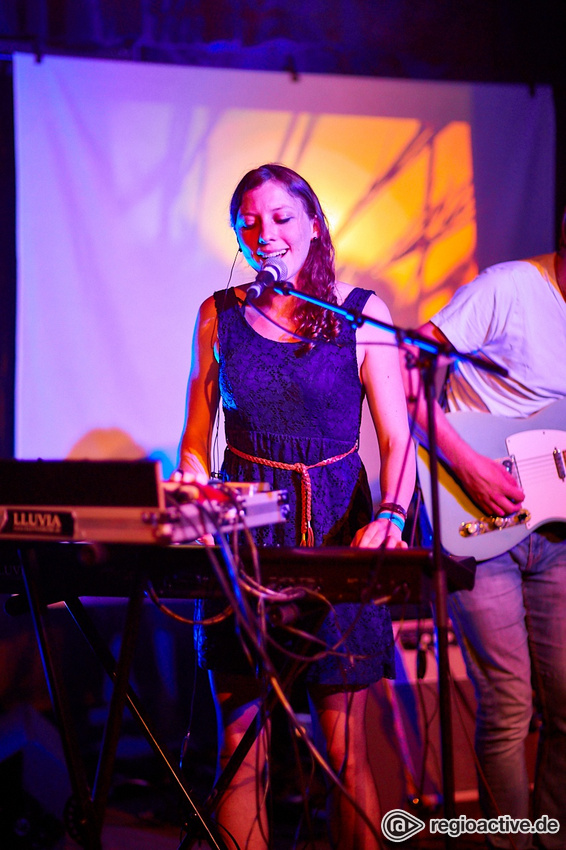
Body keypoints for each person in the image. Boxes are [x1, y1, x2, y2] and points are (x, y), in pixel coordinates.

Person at [177, 163, 415, 850]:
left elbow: (398, 440)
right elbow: (196, 442)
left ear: (314, 223)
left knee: (345, 753)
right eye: (248, 221)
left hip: (338, 536)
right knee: (239, 744)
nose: (265, 233)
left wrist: (391, 518)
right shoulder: (217, 314)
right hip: (245, 538)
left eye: (280, 217)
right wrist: (192, 489)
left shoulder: (361, 313)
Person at [403, 206, 566, 849]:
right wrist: (466, 466)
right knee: (509, 706)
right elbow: (408, 375)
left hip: (556, 534)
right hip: (476, 522)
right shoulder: (508, 289)